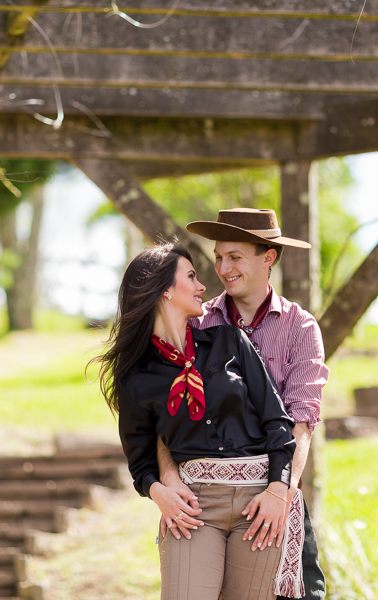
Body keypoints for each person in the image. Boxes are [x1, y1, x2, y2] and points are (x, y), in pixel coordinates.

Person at [94, 242, 297, 600]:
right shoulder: (136, 376)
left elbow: (277, 422)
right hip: (193, 510)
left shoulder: (231, 342)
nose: (203, 285)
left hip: (260, 502)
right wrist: (159, 493)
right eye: (191, 276)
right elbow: (140, 460)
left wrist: (278, 490)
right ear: (165, 290)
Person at [156, 208, 329, 600]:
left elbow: (300, 423)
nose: (223, 267)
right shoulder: (196, 322)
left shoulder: (300, 328)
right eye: (218, 257)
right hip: (202, 495)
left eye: (235, 257)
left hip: (268, 490)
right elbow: (164, 417)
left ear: (268, 256)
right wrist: (168, 480)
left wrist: (279, 493)